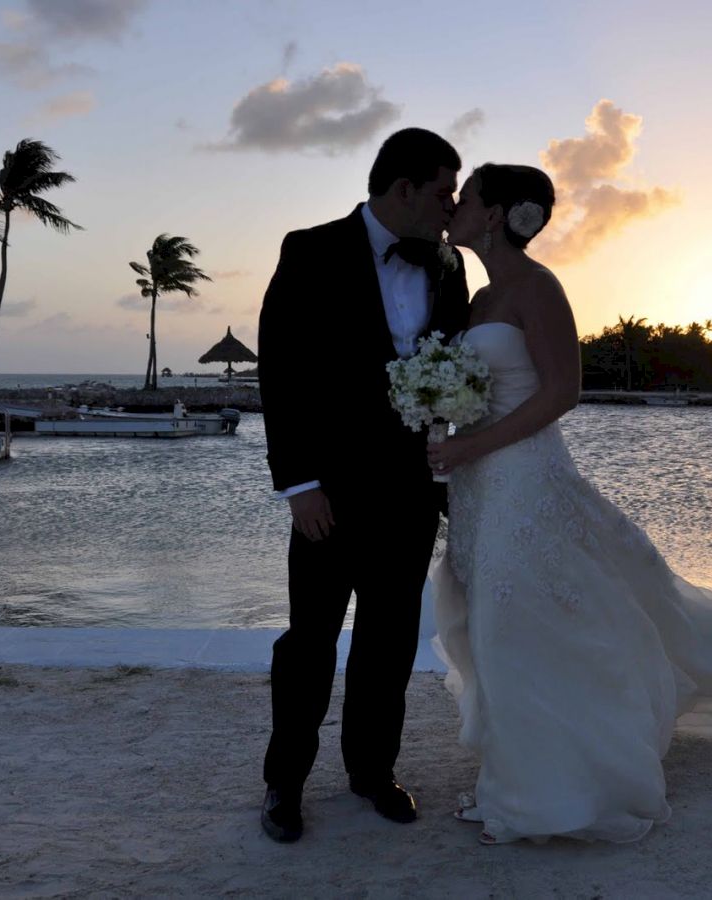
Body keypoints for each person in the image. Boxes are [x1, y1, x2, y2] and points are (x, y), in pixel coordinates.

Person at [427, 164, 712, 845]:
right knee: (491, 622)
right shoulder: (478, 298)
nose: (454, 206)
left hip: (524, 478)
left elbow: (561, 392)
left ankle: (548, 791)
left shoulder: (539, 288)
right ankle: (515, 771)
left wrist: (473, 449)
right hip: (477, 485)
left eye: (467, 197)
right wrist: (446, 429)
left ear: (497, 213)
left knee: (517, 622)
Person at [257, 128, 470, 843]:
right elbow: (281, 377)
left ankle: (373, 772)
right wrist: (299, 485)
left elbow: (455, 377)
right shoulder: (308, 250)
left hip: (411, 497)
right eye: (444, 191)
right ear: (403, 188)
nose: (454, 206)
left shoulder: (450, 267)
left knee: (389, 642)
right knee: (309, 643)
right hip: (328, 497)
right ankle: (284, 782)